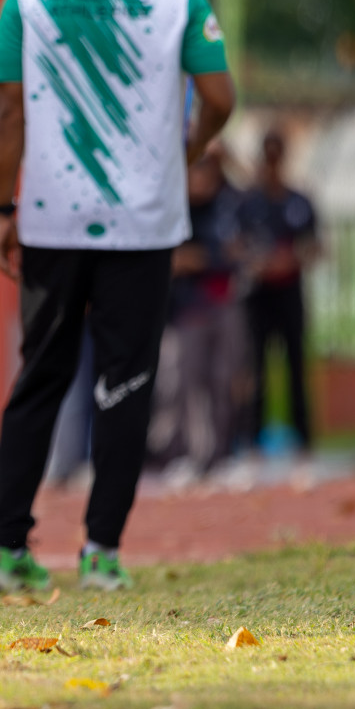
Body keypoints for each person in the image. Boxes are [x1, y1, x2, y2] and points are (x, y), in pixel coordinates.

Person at [0, 0, 235, 593]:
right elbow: (219, 96)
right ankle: (102, 554)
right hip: (144, 223)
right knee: (126, 382)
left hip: (52, 218)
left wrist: (3, 209)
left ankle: (6, 553)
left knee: (40, 378)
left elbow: (8, 111)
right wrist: (184, 151)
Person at [149, 143, 248, 480]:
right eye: (193, 174)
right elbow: (171, 261)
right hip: (186, 312)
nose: (199, 182)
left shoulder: (228, 203)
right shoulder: (172, 208)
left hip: (222, 305)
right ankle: (187, 455)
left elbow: (236, 251)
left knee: (225, 381)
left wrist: (201, 259)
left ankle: (220, 455)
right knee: (183, 386)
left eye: (206, 173)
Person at [239, 129, 320, 455]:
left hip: (289, 294)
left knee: (296, 365)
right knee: (256, 368)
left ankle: (304, 437)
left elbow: (315, 245)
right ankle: (253, 437)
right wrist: (256, 261)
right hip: (259, 296)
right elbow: (236, 244)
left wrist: (291, 259)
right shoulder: (250, 203)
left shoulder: (299, 201)